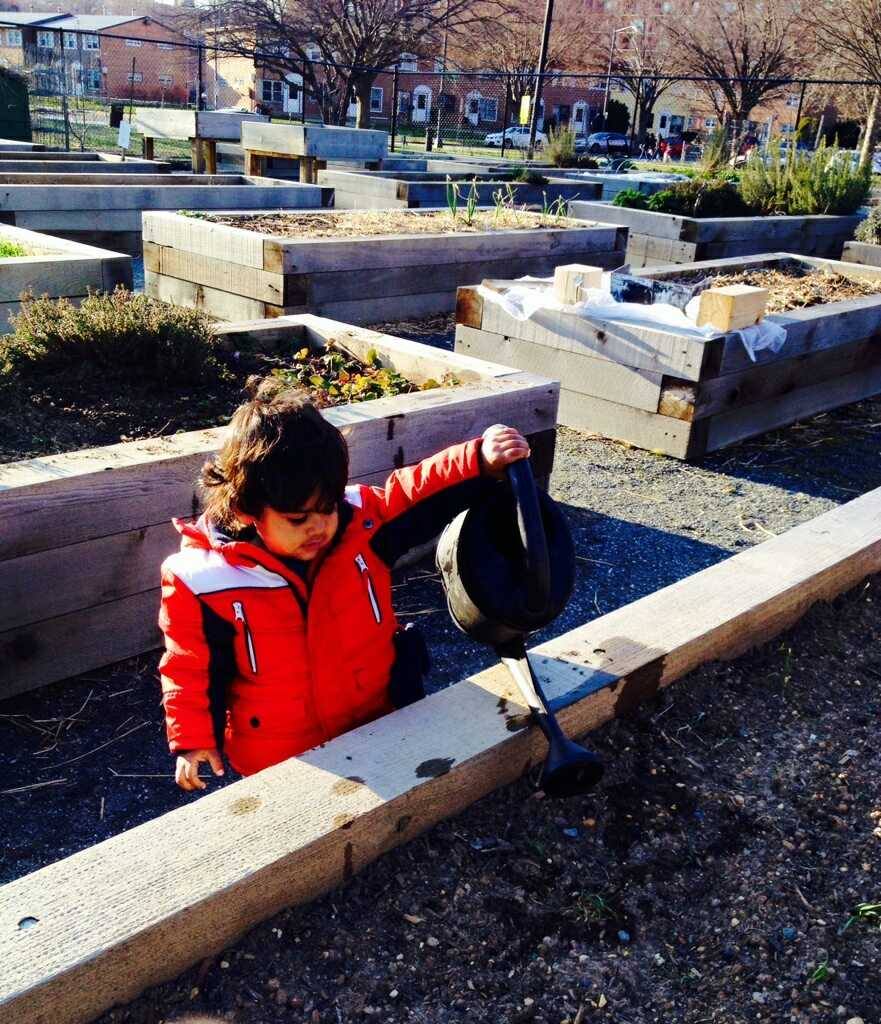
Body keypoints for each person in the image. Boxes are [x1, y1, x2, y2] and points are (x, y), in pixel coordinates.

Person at [158, 379, 531, 791]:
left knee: (398, 800)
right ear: (247, 510)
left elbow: (414, 491)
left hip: (377, 717)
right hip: (285, 755)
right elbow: (189, 668)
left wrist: (477, 459)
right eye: (298, 519)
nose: (319, 526)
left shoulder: (363, 525)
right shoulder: (203, 580)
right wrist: (193, 739)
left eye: (329, 507)